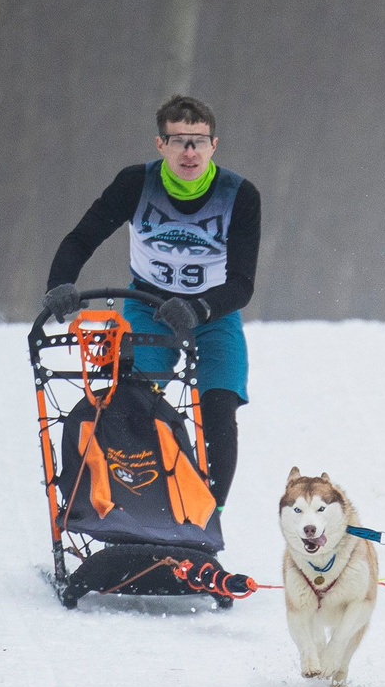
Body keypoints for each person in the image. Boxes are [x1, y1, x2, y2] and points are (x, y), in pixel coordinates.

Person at [41, 95, 259, 507]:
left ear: (215, 145)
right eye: (179, 141)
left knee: (218, 409)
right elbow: (82, 237)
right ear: (161, 146)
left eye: (198, 141)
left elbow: (243, 283)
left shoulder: (239, 195)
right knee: (135, 403)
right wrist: (61, 281)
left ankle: (208, 516)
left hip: (213, 313)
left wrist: (198, 309)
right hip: (148, 305)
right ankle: (137, 506)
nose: (189, 152)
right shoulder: (136, 184)